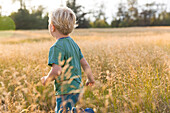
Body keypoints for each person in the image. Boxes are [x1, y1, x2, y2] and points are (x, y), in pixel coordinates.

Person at [41, 7, 95, 113]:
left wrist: (46, 80)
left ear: (52, 27)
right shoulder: (74, 44)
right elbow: (85, 64)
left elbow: (57, 71)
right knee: (66, 110)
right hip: (77, 88)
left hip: (65, 90)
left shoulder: (56, 47)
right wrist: (90, 79)